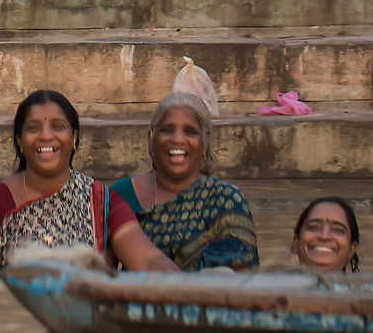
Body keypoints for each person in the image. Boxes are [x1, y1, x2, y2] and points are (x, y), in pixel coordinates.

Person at [0, 91, 173, 276]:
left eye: (58, 126)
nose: (46, 136)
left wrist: (193, 294)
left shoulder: (102, 200)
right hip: (15, 322)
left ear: (74, 138)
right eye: (33, 128)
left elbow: (149, 261)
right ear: (20, 141)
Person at [101, 94, 258, 271]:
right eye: (167, 130)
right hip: (134, 298)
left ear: (205, 144)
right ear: (150, 140)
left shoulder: (225, 199)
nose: (177, 139)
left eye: (190, 132)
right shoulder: (121, 194)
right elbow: (101, 274)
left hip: (208, 298)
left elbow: (242, 281)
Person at [289, 197, 362, 273]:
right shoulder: (277, 282)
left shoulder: (369, 284)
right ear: (296, 242)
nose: (324, 236)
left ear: (351, 249)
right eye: (313, 227)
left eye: (338, 230)